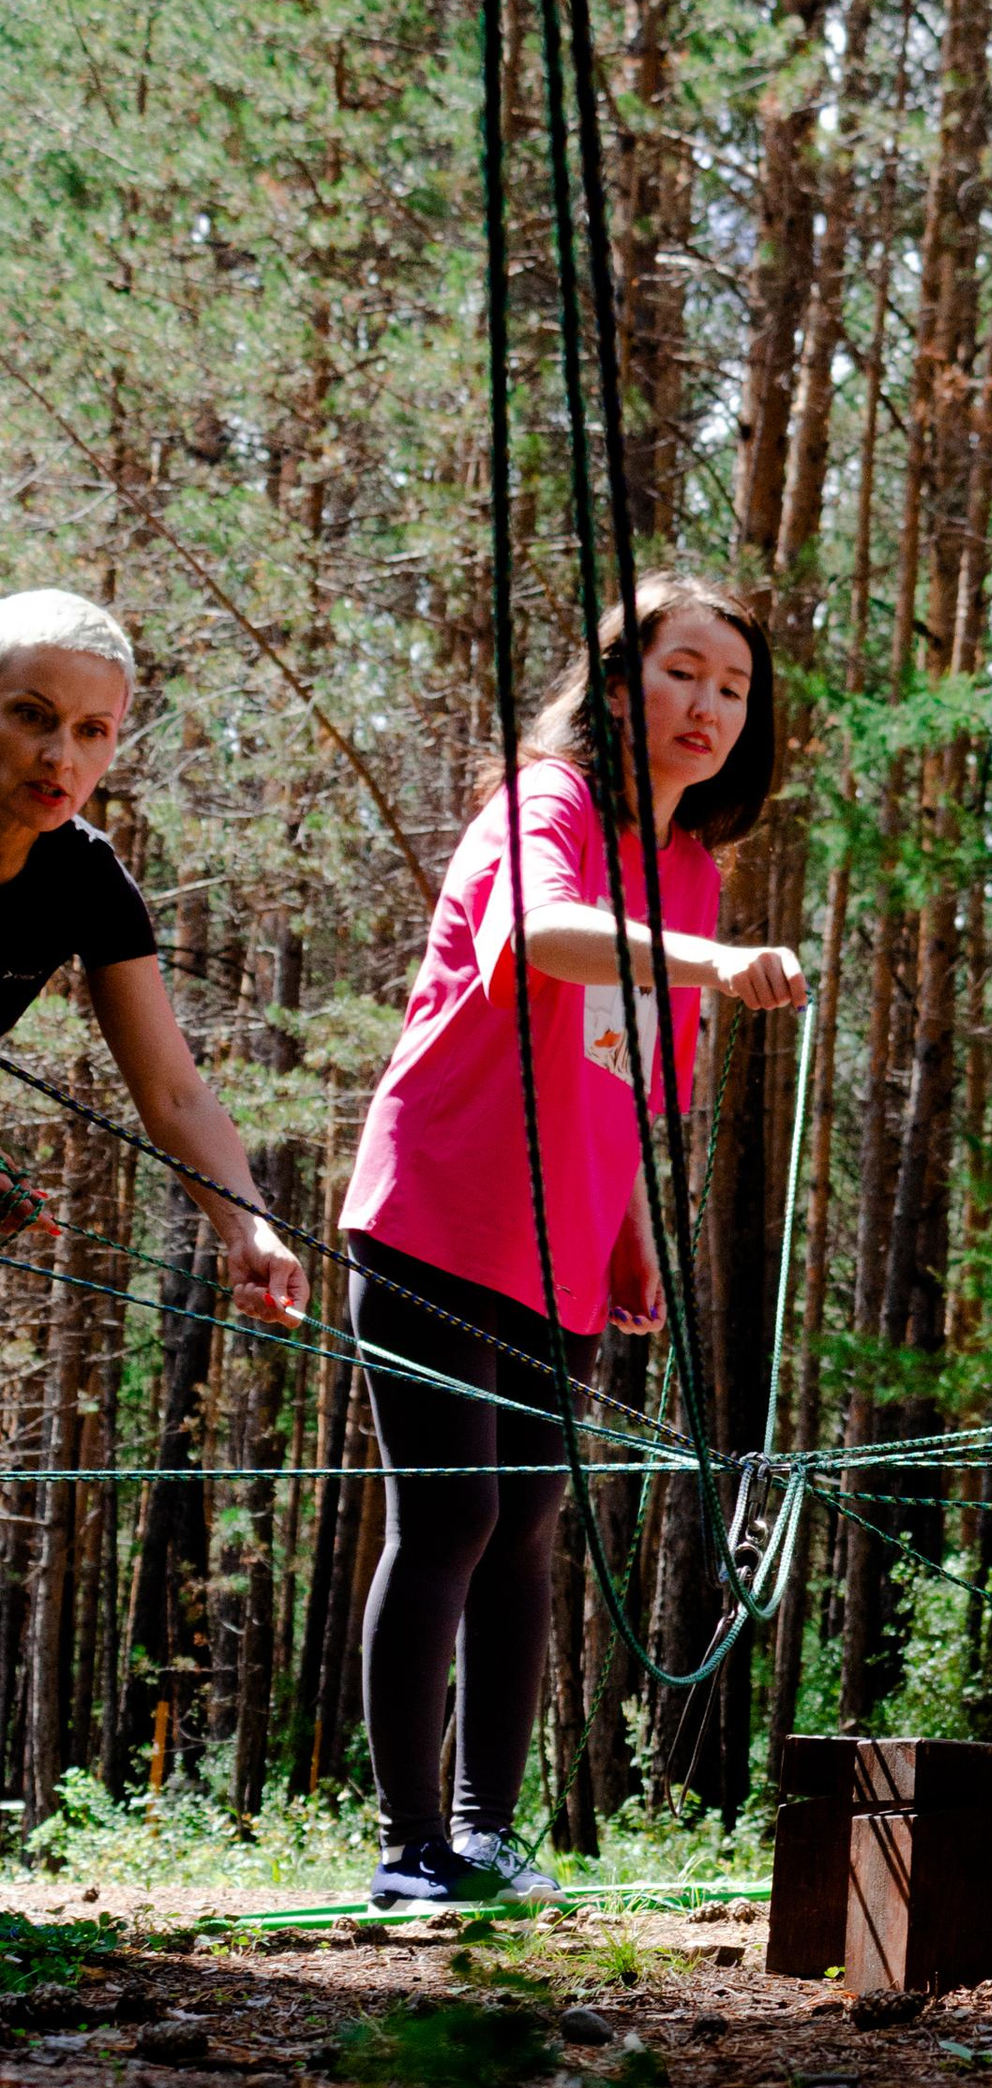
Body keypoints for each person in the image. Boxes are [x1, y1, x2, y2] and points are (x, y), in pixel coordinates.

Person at [339, 570, 806, 1911]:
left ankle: (487, 1832)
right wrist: (713, 966)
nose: (707, 705)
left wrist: (633, 1231)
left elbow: (629, 1068)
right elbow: (544, 938)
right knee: (453, 1511)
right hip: (437, 1207)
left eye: (733, 687)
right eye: (682, 673)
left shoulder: (689, 872)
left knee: (531, 1522)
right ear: (616, 684)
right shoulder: (546, 804)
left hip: (562, 1244)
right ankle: (408, 1846)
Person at [0, 587, 306, 1320]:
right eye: (30, 716)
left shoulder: (88, 881)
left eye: (91, 730)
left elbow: (175, 1095)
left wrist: (248, 1227)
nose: (58, 754)